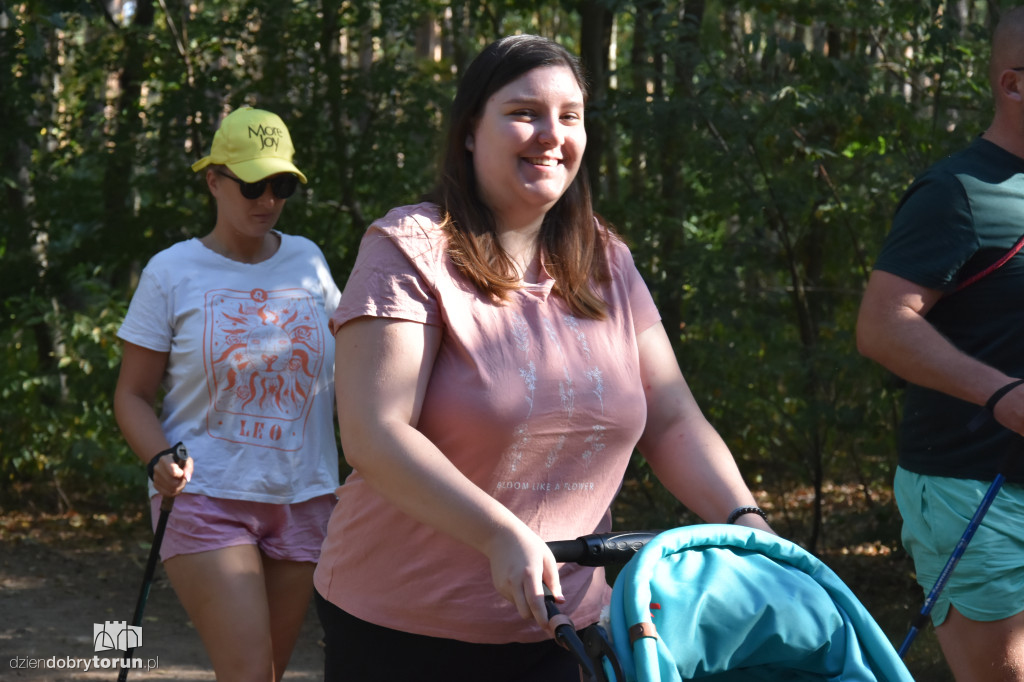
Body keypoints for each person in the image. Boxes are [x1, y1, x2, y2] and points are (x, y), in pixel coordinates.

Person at [313, 34, 772, 682]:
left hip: (565, 625)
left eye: (570, 115)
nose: (551, 133)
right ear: (471, 130)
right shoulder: (409, 246)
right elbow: (374, 433)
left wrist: (747, 523)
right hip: (399, 629)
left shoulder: (607, 262)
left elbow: (671, 419)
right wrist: (501, 534)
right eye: (524, 111)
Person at [113, 106, 341, 682]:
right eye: (252, 184)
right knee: (246, 674)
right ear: (214, 180)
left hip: (305, 497)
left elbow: (354, 368)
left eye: (281, 184)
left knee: (267, 673)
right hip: (205, 494)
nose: (267, 199)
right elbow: (132, 395)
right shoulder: (172, 271)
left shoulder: (309, 260)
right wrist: (158, 459)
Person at [856, 8, 1024, 681]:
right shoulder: (957, 192)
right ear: (1014, 85)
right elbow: (882, 326)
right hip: (970, 484)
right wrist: (1002, 394)